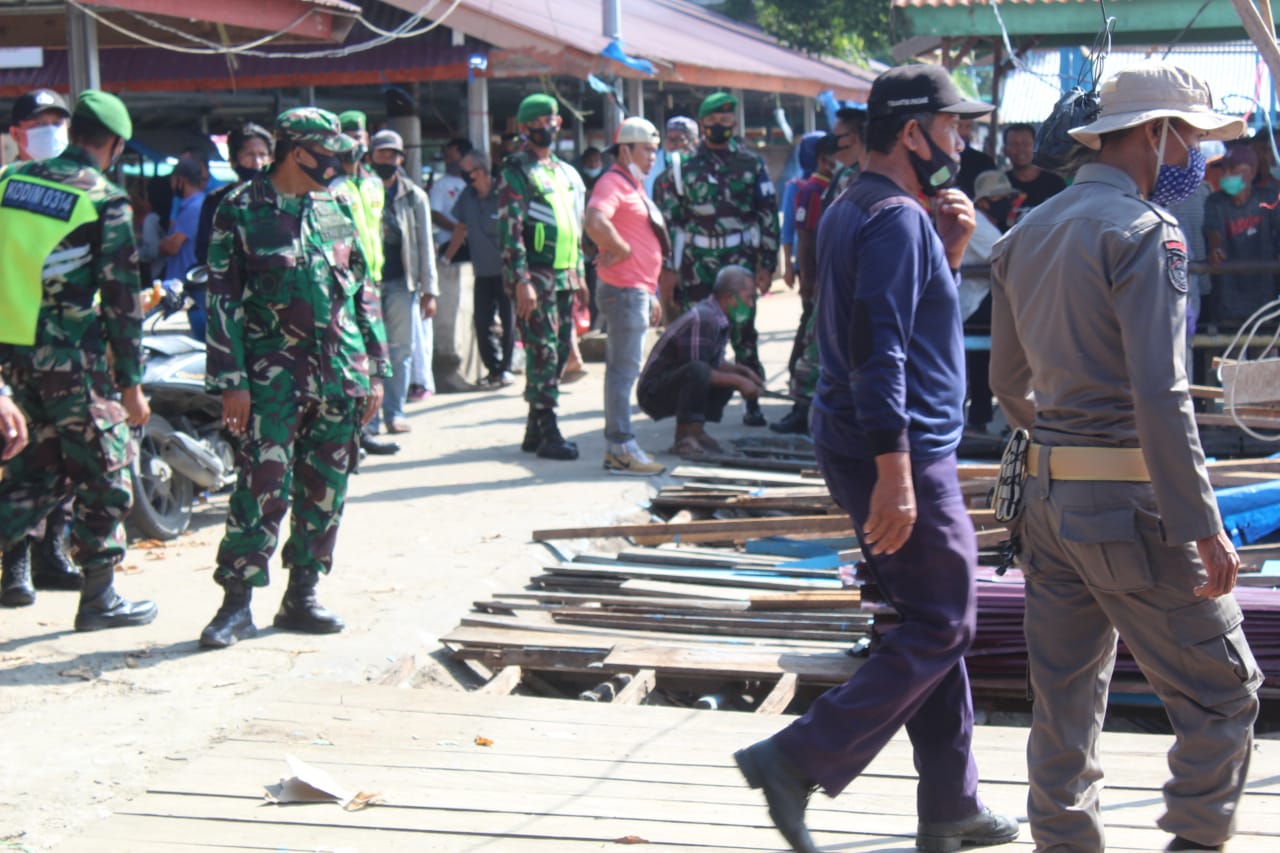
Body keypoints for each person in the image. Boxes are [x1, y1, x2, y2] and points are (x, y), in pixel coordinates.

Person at [733, 64, 1018, 853]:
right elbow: (879, 349)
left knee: (925, 620)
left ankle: (951, 807)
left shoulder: (860, 205)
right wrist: (897, 470)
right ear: (911, 131)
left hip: (867, 439)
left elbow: (898, 317)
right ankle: (794, 756)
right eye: (953, 126)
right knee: (947, 620)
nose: (962, 142)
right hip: (898, 447)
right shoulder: (894, 216)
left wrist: (949, 252)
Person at [989, 61, 1262, 853]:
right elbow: (1162, 393)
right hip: (1134, 512)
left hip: (1046, 506)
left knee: (1066, 701)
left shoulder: (1024, 234)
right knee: (1224, 695)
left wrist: (1067, 444)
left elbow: (1008, 383)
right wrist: (1202, 523)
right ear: (1155, 135)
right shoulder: (1146, 233)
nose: (1199, 161)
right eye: (1192, 141)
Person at [199, 107, 390, 649]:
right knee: (261, 489)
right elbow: (222, 298)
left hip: (340, 374)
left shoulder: (334, 206)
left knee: (326, 489)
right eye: (326, 153)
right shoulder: (239, 209)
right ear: (297, 152)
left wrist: (376, 367)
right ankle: (235, 605)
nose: (336, 163)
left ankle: (302, 595)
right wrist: (231, 379)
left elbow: (360, 288)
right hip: (271, 379)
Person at [0, 90, 158, 629]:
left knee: (35, 475)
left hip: (15, 363)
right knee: (107, 470)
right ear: (112, 144)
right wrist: (131, 382)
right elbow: (121, 298)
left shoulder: (6, 183)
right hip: (73, 361)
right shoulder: (102, 198)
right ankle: (100, 598)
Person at [0, 87, 83, 599]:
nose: (52, 131)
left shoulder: (81, 187)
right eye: (40, 122)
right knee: (24, 452)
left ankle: (55, 551)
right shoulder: (5, 188)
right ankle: (16, 564)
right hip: (17, 343)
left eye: (59, 121)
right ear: (16, 135)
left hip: (70, 342)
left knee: (68, 451)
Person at [656, 91, 779, 428]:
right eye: (713, 122)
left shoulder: (752, 163)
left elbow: (767, 215)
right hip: (696, 263)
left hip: (738, 261)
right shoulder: (682, 167)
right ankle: (696, 407)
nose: (720, 127)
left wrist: (767, 264)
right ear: (702, 124)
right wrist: (669, 269)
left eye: (726, 121)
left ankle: (752, 399)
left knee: (743, 331)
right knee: (698, 335)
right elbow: (669, 220)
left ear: (735, 124)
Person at [497, 93, 587, 461]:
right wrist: (521, 280)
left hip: (564, 274)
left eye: (551, 120)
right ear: (523, 128)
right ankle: (548, 429)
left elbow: (574, 225)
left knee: (560, 349)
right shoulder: (516, 171)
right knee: (543, 351)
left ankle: (534, 430)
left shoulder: (562, 171)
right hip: (535, 276)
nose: (546, 127)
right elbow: (511, 229)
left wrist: (579, 272)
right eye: (537, 122)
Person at [585, 117, 668, 476]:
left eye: (654, 150)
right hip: (624, 289)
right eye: (646, 149)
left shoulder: (633, 184)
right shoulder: (613, 182)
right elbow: (593, 219)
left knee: (625, 369)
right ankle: (619, 446)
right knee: (623, 371)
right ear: (625, 150)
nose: (653, 156)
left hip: (636, 290)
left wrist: (651, 291)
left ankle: (620, 445)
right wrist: (618, 248)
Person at [637, 266, 763, 457]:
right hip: (653, 392)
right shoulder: (705, 318)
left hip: (677, 380)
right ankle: (684, 438)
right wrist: (739, 381)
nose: (751, 304)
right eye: (748, 297)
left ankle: (696, 431)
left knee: (727, 377)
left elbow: (714, 362)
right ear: (730, 297)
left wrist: (742, 373)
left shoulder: (720, 317)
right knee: (704, 374)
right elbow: (700, 370)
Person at [366, 129, 438, 436]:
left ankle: (394, 412)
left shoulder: (414, 196)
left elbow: (425, 245)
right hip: (368, 285)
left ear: (401, 158)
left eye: (391, 154)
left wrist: (430, 289)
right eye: (381, 153)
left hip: (401, 283)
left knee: (400, 349)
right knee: (372, 351)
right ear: (371, 156)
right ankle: (369, 419)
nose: (386, 159)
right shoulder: (361, 190)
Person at [772, 134, 839, 436]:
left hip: (828, 283)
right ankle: (800, 410)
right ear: (824, 159)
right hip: (818, 285)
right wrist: (807, 283)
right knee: (807, 348)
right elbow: (804, 239)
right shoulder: (812, 190)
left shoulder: (832, 187)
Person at [448, 151, 514, 388]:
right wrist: (446, 258)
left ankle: (505, 369)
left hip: (506, 271)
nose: (464, 175)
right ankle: (493, 370)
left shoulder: (503, 193)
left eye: (467, 170)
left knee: (509, 321)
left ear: (481, 170)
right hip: (482, 272)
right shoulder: (467, 196)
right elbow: (460, 229)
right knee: (482, 321)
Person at [1202, 143, 1280, 331]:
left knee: (1262, 355)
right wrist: (1216, 248)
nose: (1226, 175)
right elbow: (1212, 231)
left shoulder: (1268, 199)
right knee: (1228, 356)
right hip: (1227, 302)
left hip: (1264, 299)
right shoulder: (1215, 202)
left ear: (1251, 172)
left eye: (1233, 170)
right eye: (1224, 170)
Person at [426, 137, 475, 396]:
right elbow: (434, 213)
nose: (448, 158)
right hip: (450, 249)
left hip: (475, 253)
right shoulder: (441, 185)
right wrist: (456, 230)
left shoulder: (473, 183)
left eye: (452, 153)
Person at [195, 122, 273, 265]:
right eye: (249, 154)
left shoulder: (281, 200)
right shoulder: (217, 201)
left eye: (262, 155)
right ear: (233, 160)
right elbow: (203, 250)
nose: (257, 163)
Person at [159, 157, 207, 340]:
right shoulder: (189, 206)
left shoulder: (195, 206)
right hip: (184, 290)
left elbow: (172, 246)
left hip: (189, 291)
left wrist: (159, 244)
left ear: (181, 180)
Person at [1002, 123, 1066, 212]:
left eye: (1026, 143)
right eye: (1014, 144)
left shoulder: (1055, 184)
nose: (1020, 149)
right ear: (1005, 150)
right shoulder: (999, 185)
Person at [955, 116, 997, 200]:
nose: (963, 132)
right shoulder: (938, 159)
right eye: (959, 126)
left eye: (968, 126)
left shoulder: (984, 162)